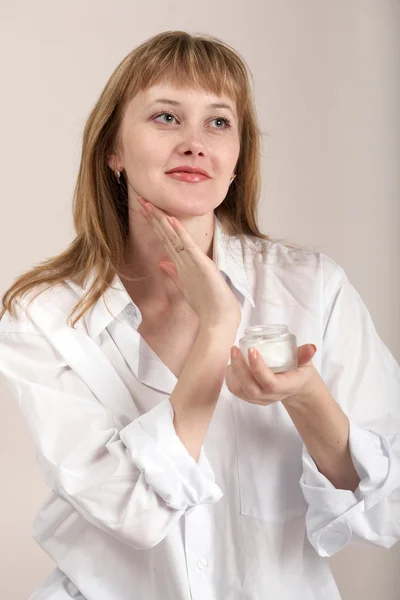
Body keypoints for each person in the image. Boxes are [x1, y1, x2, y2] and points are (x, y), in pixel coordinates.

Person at [0, 30, 399, 600]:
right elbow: (130, 509)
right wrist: (218, 328)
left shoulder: (313, 288)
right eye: (166, 117)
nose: (195, 144)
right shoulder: (43, 315)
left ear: (237, 158)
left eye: (218, 122)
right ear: (112, 149)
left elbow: (383, 507)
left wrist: (306, 394)